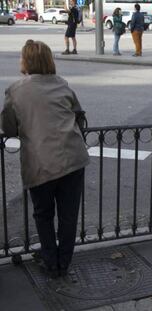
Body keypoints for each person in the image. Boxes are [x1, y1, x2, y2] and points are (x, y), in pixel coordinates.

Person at [0, 40, 89, 278]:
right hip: (73, 158)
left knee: (43, 214)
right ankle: (64, 262)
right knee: (68, 216)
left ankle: (51, 263)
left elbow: (8, 128)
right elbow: (78, 114)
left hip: (41, 163)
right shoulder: (62, 85)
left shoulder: (16, 90)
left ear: (26, 61)